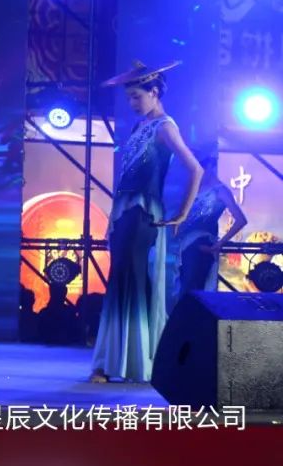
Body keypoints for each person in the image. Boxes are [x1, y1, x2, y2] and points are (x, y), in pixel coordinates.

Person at [89, 61, 202, 383]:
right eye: (129, 98)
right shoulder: (140, 127)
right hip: (125, 213)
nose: (132, 103)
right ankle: (119, 362)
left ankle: (123, 364)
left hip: (143, 215)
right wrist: (112, 218)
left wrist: (183, 212)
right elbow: (125, 179)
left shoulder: (165, 127)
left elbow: (196, 169)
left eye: (137, 97)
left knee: (131, 283)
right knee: (122, 282)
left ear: (154, 92)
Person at [173, 149, 247, 302]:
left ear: (211, 166)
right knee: (184, 290)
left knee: (194, 292)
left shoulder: (220, 191)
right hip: (184, 245)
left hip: (203, 244)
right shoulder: (193, 187)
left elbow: (241, 220)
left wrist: (219, 244)